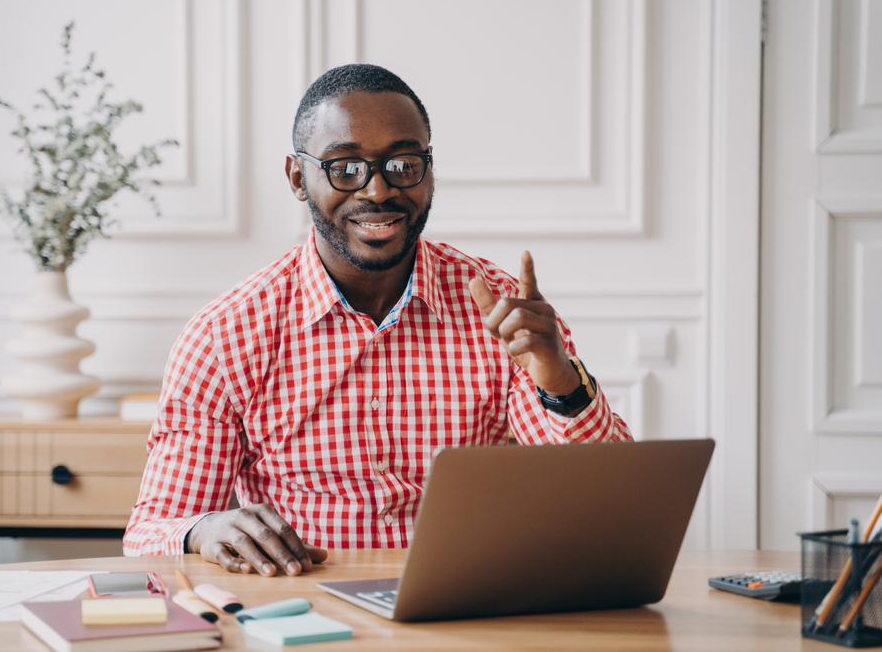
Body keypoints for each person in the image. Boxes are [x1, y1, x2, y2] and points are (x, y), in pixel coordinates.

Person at [123, 64, 632, 577]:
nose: (378, 191)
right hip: (306, 609)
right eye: (345, 167)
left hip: (470, 600)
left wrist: (558, 377)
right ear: (298, 178)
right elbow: (152, 531)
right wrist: (203, 529)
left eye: (403, 164)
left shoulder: (504, 309)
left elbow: (610, 499)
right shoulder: (224, 337)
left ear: (429, 171)